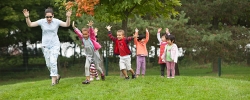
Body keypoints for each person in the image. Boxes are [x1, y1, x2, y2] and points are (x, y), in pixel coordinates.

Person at [22, 7, 72, 86]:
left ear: (53, 16)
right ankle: (56, 76)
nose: (49, 18)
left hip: (55, 45)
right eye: (47, 17)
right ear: (45, 16)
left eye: (50, 17)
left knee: (53, 62)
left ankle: (53, 82)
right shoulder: (42, 22)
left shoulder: (56, 21)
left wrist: (68, 17)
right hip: (45, 45)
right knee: (49, 64)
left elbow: (67, 24)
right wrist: (27, 17)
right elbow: (30, 24)